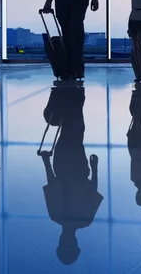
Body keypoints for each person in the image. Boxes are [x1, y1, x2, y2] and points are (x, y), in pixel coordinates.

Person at [39, 80, 103, 265]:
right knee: (71, 129)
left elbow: (93, 189)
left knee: (75, 129)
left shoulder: (85, 220)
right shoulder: (56, 216)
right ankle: (72, 92)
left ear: (75, 243)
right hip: (63, 165)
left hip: (78, 167)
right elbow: (53, 184)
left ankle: (75, 92)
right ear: (61, 242)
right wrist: (46, 162)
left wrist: (95, 168)